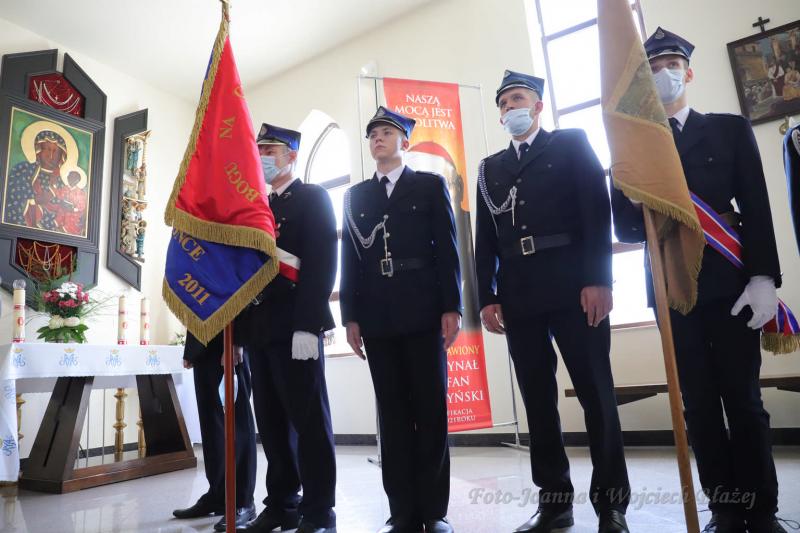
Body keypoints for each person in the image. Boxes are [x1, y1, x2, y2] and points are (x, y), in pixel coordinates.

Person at [611, 27, 785, 533]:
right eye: (653, 69)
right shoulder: (636, 147)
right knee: (700, 405)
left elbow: (756, 205)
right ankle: (724, 507)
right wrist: (630, 195)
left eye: (671, 65)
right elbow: (626, 230)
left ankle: (762, 508)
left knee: (744, 400)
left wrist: (763, 277)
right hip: (671, 288)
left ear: (687, 73)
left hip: (730, 282)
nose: (664, 74)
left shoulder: (729, 130)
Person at [474, 70, 630, 533]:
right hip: (519, 293)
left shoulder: (570, 144)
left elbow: (596, 212)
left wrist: (599, 279)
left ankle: (612, 505)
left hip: (573, 285)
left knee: (595, 393)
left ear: (538, 105)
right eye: (503, 103)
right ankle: (554, 503)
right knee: (537, 401)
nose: (510, 108)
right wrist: (488, 295)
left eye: (517, 99)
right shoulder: (489, 169)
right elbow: (485, 240)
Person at [340, 106, 462, 533]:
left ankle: (434, 511)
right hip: (377, 316)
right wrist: (350, 317)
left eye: (387, 132)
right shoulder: (355, 197)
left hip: (424, 311)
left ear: (404, 141)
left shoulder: (429, 185)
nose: (378, 138)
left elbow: (447, 250)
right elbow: (350, 260)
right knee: (391, 415)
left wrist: (452, 306)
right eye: (372, 133)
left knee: (430, 410)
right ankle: (402, 512)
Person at [236, 123, 338, 533]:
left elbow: (322, 263)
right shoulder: (255, 205)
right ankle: (282, 504)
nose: (262, 156)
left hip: (296, 326)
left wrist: (308, 325)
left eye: (270, 150)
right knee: (272, 424)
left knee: (309, 422)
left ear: (291, 156)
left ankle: (319, 510)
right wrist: (240, 333)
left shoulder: (312, 198)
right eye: (258, 150)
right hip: (259, 328)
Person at [172, 331, 257, 532]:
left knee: (238, 422)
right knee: (211, 424)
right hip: (203, 342)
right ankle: (219, 494)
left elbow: (239, 307)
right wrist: (191, 349)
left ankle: (243, 500)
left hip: (230, 337)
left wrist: (238, 341)